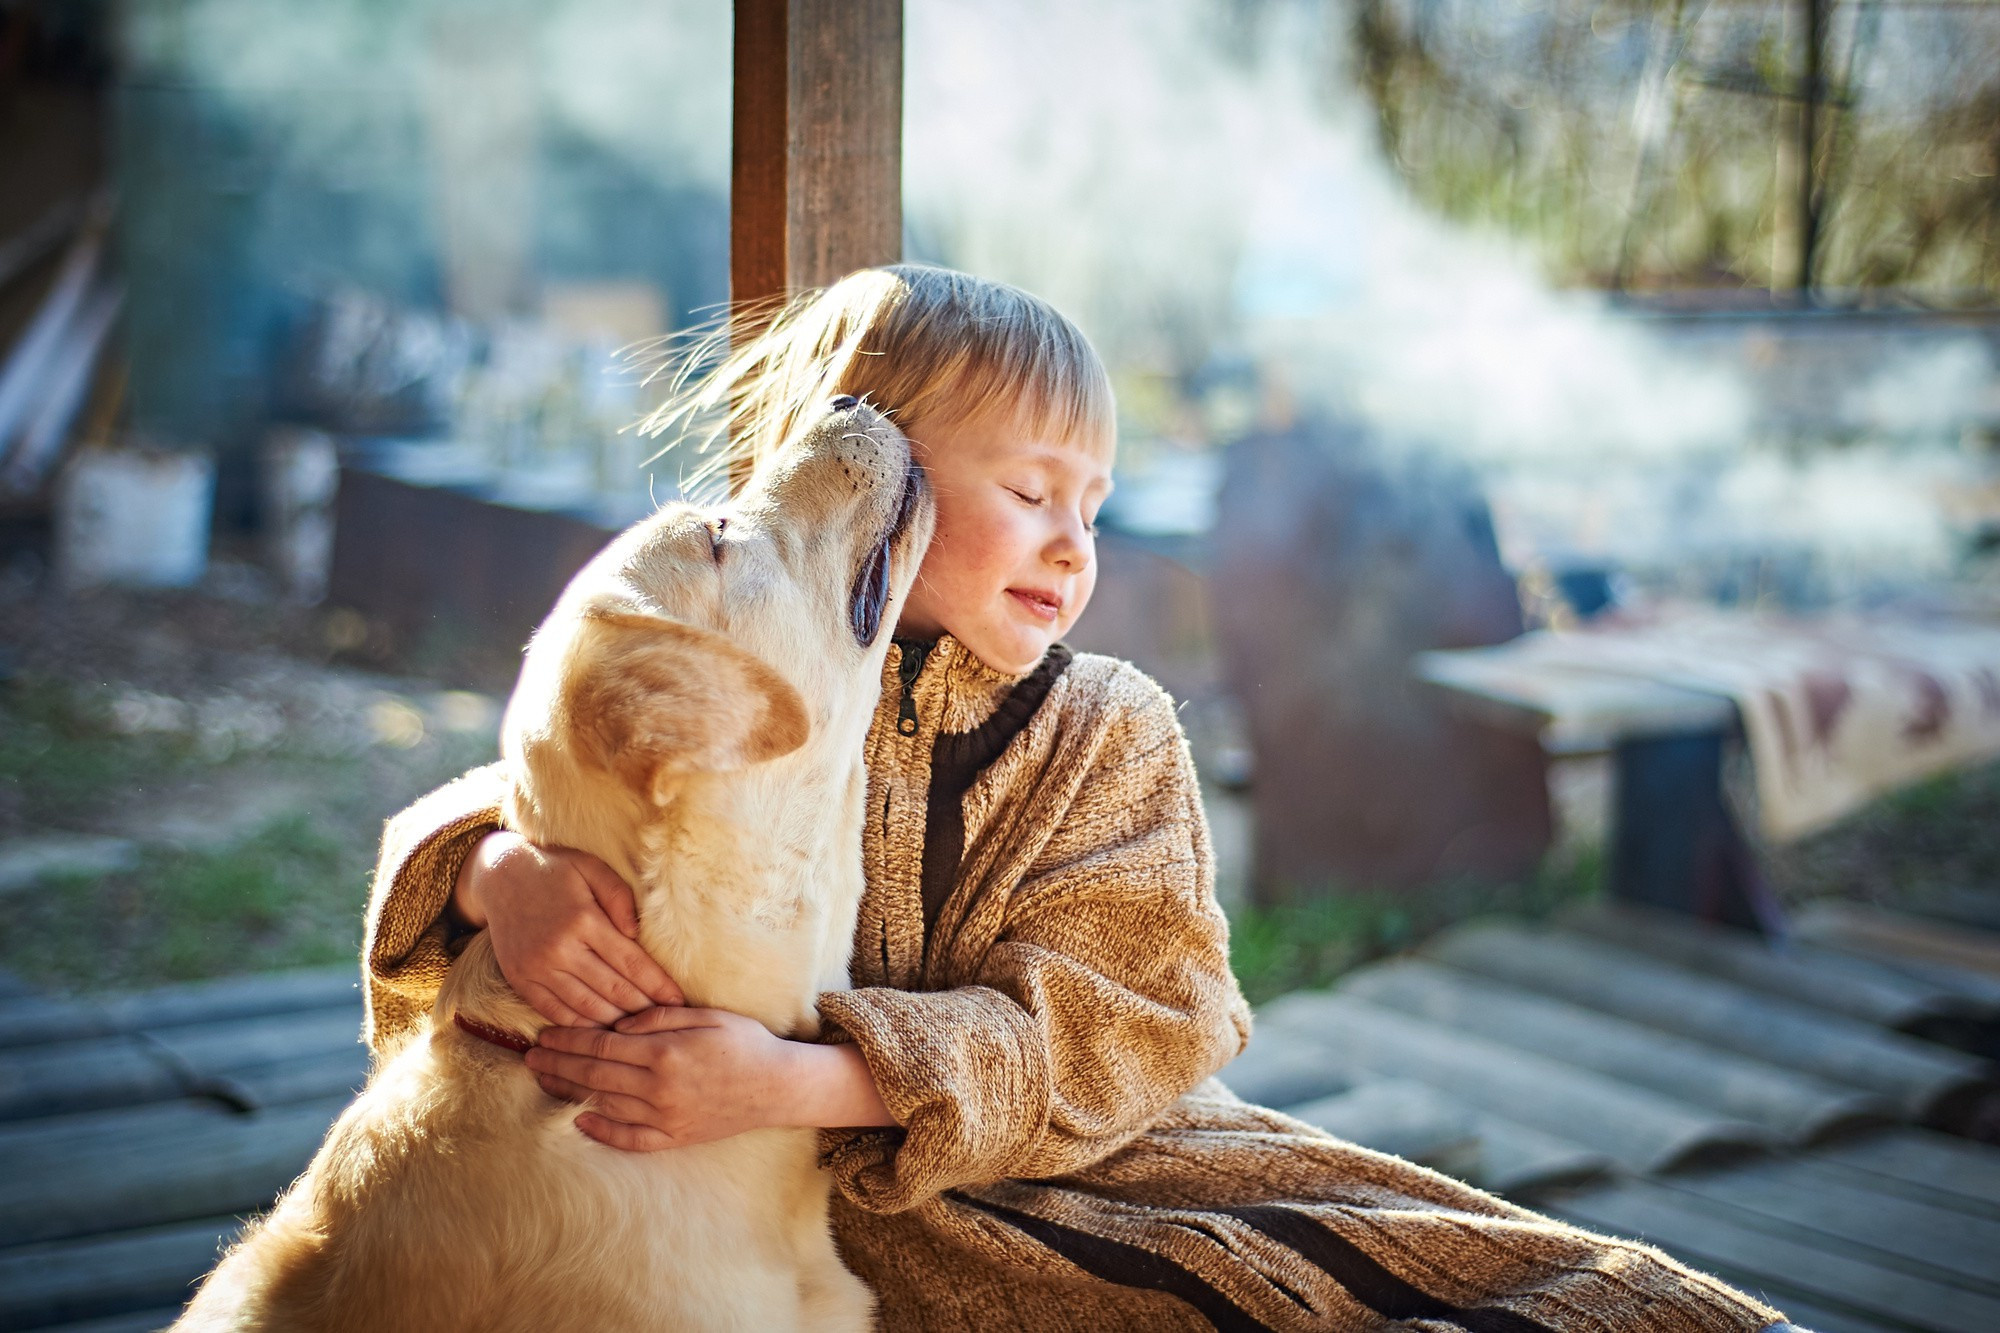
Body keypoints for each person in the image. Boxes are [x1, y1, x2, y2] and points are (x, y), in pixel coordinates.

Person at [362, 265, 1798, 1332]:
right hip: (788, 1222)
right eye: (1034, 488)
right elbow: (549, 781)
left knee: (1530, 1292)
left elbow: (1138, 1022)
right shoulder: (744, 668)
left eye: (1094, 505)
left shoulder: (1109, 731)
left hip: (1102, 1169)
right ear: (867, 476)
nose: (1072, 542)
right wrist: (502, 871)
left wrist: (806, 1081)